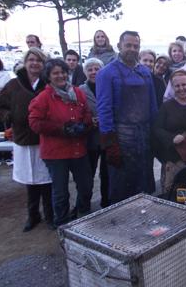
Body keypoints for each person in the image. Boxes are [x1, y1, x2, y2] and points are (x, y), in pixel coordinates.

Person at [0, 48, 52, 232]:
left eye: (39, 60)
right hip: (24, 140)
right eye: (31, 60)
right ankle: (33, 215)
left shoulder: (48, 84)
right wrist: (11, 116)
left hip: (45, 139)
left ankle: (50, 215)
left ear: (43, 64)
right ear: (25, 62)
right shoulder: (13, 85)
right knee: (30, 180)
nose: (35, 63)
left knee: (47, 181)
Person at [28, 59, 93, 228]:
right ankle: (62, 223)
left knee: (86, 186)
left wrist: (84, 125)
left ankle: (83, 214)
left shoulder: (78, 93)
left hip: (78, 149)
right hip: (56, 152)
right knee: (61, 191)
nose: (61, 75)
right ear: (48, 77)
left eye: (63, 72)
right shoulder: (43, 97)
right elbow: (35, 122)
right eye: (55, 73)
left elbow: (86, 112)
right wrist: (62, 128)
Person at [96, 31, 158, 204]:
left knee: (144, 180)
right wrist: (110, 144)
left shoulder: (145, 72)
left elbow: (152, 105)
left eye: (135, 46)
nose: (132, 49)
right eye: (128, 45)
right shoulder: (106, 73)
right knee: (121, 184)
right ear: (119, 46)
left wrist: (155, 133)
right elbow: (104, 109)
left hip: (144, 135)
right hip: (121, 137)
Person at [79, 58, 109, 208]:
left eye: (97, 69)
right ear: (85, 72)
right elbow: (76, 113)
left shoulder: (109, 86)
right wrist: (90, 120)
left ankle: (106, 202)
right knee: (87, 174)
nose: (93, 72)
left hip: (107, 138)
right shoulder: (80, 90)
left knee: (106, 173)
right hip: (89, 139)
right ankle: (84, 205)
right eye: (90, 69)